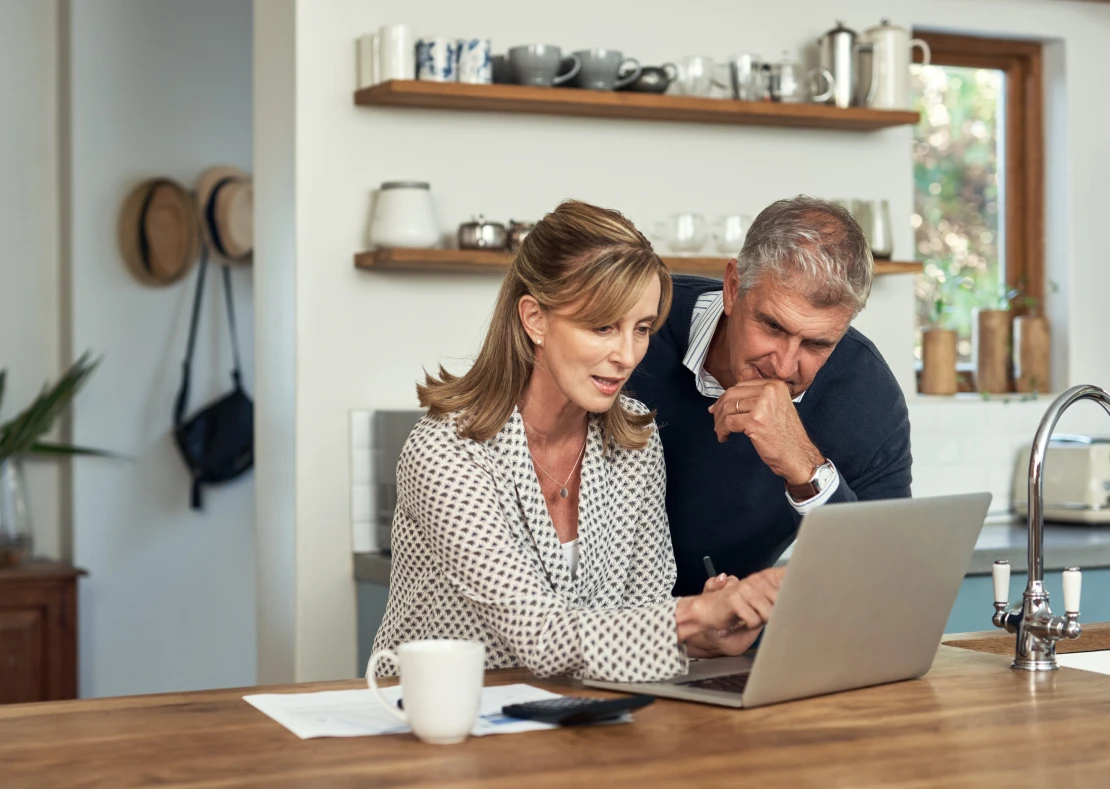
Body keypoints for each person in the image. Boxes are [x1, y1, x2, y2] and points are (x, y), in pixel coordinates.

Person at [371, 200, 784, 683]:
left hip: (576, 722)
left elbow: (640, 612)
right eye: (602, 326)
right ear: (535, 319)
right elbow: (540, 636)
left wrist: (702, 640)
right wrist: (696, 615)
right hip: (442, 723)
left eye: (642, 329)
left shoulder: (635, 443)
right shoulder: (446, 452)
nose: (627, 355)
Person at [627, 196, 912, 598]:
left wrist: (806, 469)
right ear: (732, 287)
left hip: (731, 637)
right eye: (773, 326)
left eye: (816, 344)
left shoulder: (868, 396)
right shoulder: (638, 327)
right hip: (596, 630)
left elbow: (886, 580)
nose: (784, 365)